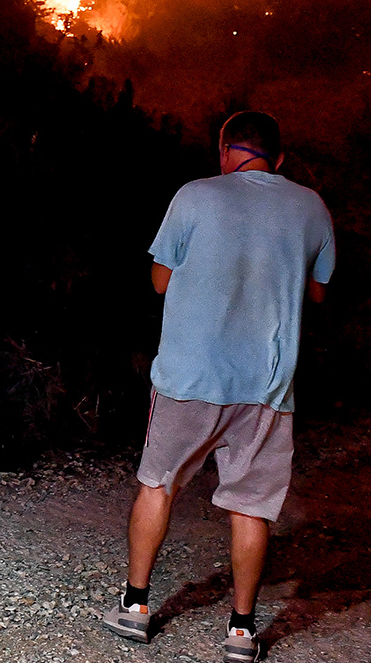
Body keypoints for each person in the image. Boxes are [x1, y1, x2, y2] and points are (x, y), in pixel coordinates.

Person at [104, 111, 335, 663]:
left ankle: (136, 609)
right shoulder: (312, 206)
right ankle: (241, 632)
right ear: (278, 158)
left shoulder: (195, 195)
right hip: (267, 385)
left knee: (158, 485)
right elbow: (319, 293)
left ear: (225, 149)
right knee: (251, 507)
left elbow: (160, 281)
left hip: (191, 376)